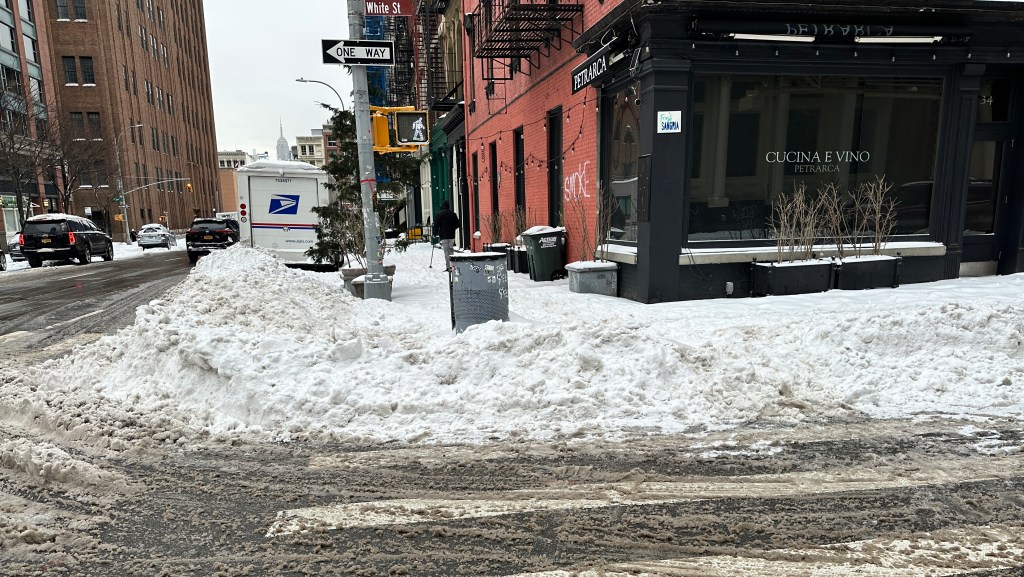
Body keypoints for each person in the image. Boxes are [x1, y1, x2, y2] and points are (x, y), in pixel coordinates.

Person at [434, 201, 460, 272]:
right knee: (451, 250)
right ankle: (452, 266)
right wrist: (452, 228)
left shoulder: (439, 214)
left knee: (446, 251)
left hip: (443, 235)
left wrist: (434, 233)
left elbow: (436, 225)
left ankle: (448, 267)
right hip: (451, 235)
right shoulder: (453, 214)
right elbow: (458, 224)